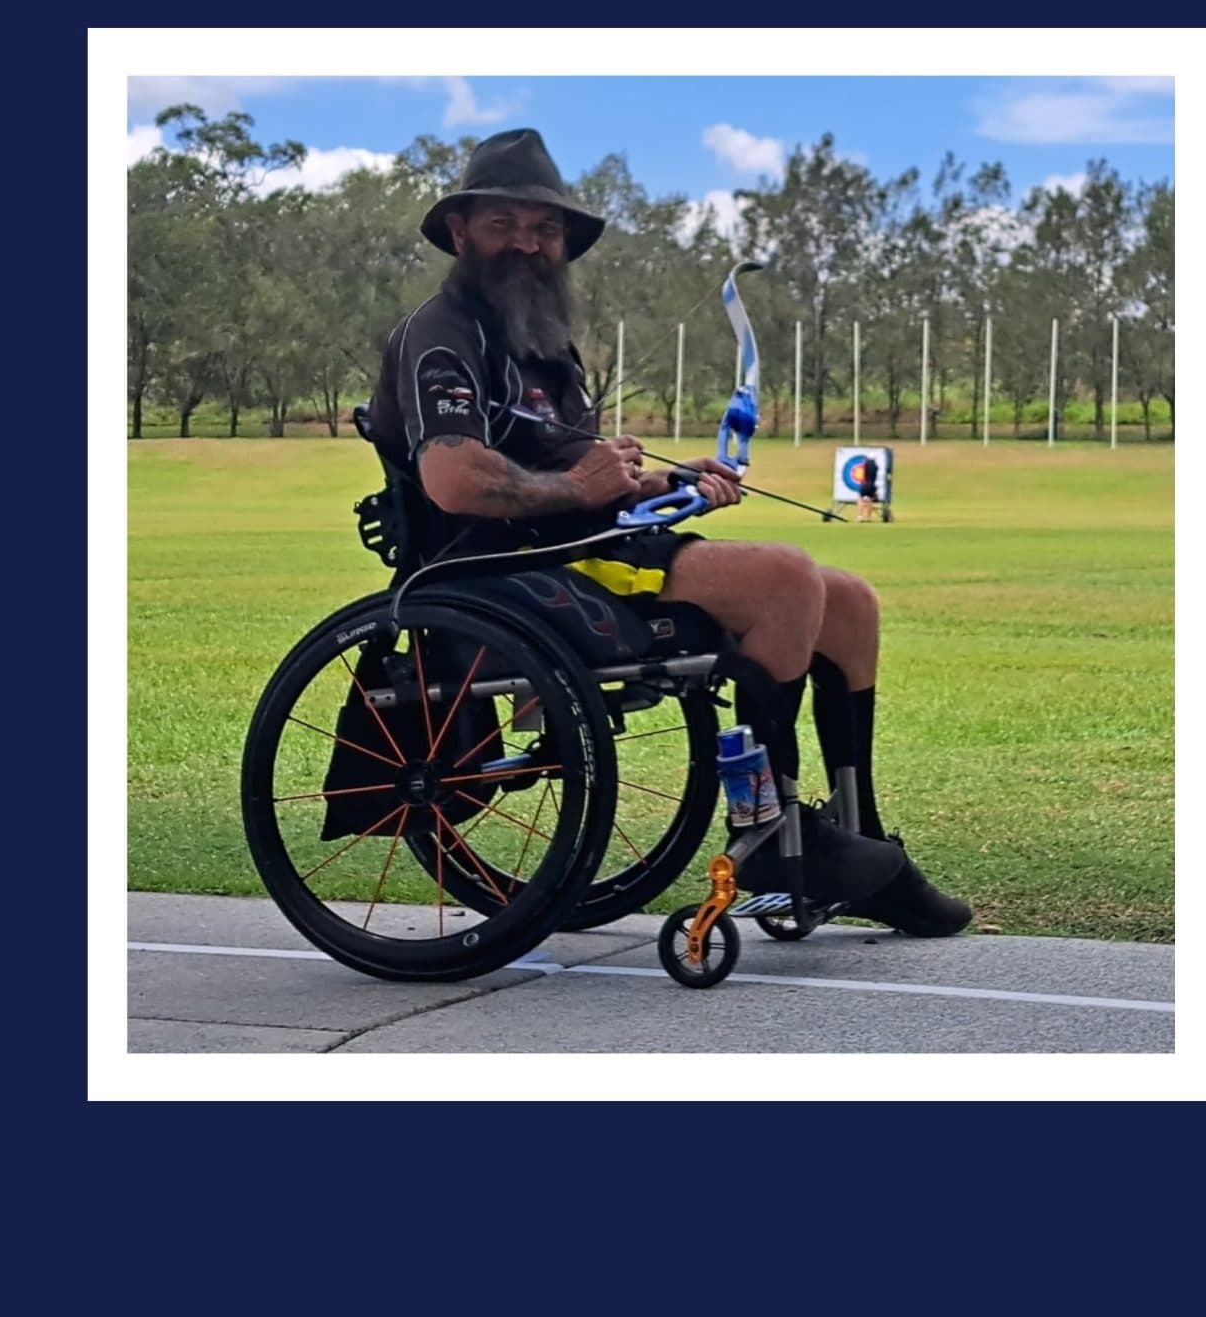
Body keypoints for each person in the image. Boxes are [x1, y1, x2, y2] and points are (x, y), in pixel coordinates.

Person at [365, 129, 971, 937]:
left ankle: (861, 839)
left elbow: (580, 473)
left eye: (545, 228)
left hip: (581, 551)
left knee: (850, 602)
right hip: (507, 571)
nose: (529, 243)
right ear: (460, 230)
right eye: (505, 223)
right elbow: (453, 477)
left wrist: (661, 484)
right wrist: (582, 487)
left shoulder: (545, 345)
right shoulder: (442, 332)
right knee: (786, 579)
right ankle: (770, 829)